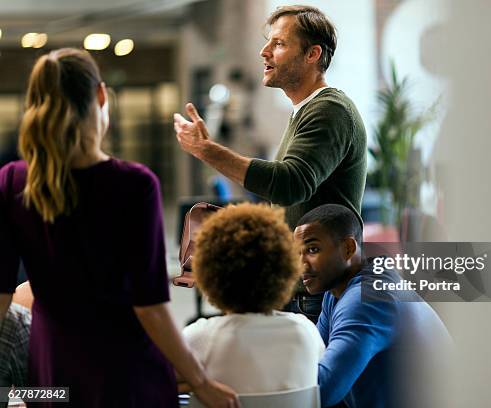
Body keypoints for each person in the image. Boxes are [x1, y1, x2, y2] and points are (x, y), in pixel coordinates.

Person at [0, 48, 239, 408]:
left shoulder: (11, 181)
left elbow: (1, 296)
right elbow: (151, 308)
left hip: (51, 375)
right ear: (100, 96)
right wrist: (201, 381)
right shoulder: (133, 184)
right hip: (127, 375)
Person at [175, 4, 367, 322]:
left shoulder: (329, 110)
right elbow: (292, 200)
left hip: (316, 295)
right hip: (303, 287)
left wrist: (207, 151)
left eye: (278, 43)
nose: (264, 52)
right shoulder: (305, 110)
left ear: (312, 54)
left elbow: (290, 184)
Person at [294, 204, 451, 408]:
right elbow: (312, 356)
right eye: (296, 253)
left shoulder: (367, 299)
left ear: (348, 248)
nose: (300, 264)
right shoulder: (336, 293)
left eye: (312, 250)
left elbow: (321, 388)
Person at [182, 203, 324, 393]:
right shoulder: (306, 331)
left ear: (208, 274)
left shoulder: (197, 337)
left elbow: (155, 382)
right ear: (285, 270)